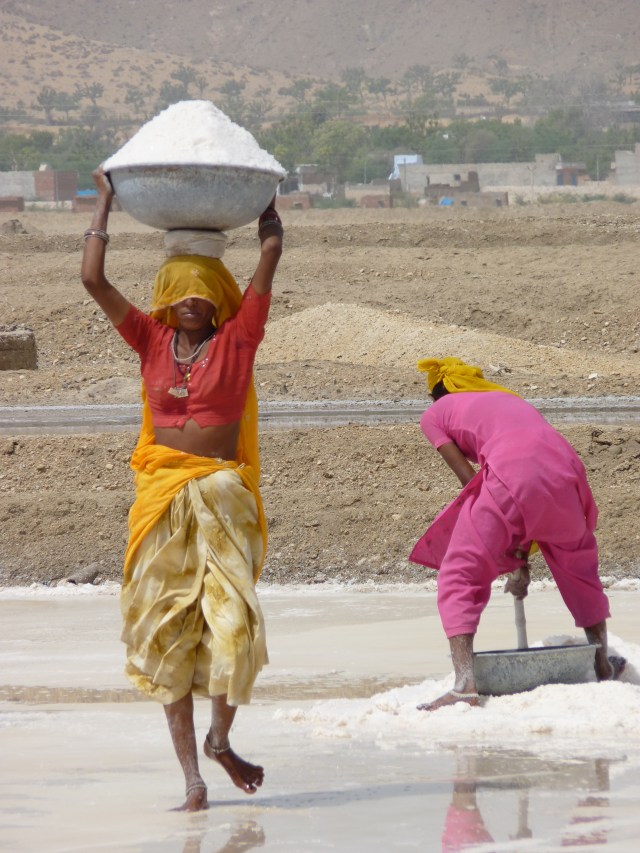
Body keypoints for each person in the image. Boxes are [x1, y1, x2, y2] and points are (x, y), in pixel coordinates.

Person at [81, 168, 283, 810]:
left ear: (216, 298)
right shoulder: (148, 339)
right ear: (166, 296)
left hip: (224, 497)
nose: (191, 301)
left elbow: (270, 253)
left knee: (233, 628)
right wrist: (105, 201)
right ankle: (191, 781)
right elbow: (92, 280)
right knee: (165, 634)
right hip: (160, 499)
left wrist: (266, 201)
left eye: (202, 292)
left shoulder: (239, 339)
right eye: (180, 292)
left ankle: (220, 742)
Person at [409, 357, 625, 712]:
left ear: (438, 393)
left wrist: (506, 554)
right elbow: (532, 496)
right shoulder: (509, 399)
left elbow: (472, 482)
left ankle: (464, 685)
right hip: (566, 472)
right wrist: (518, 560)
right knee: (577, 569)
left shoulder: (435, 414)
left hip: (512, 473)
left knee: (460, 572)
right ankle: (601, 664)